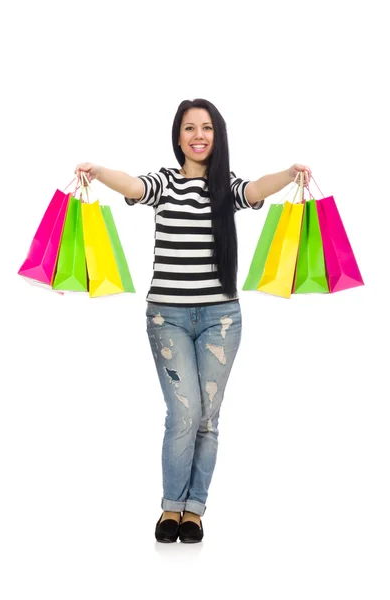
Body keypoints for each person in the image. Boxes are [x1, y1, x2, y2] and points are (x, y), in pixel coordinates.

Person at [75, 98, 311, 544]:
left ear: (216, 136)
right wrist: (98, 171)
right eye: (189, 128)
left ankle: (194, 511)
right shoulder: (165, 182)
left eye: (206, 128)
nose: (198, 136)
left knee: (208, 418)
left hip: (222, 320)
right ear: (178, 136)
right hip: (168, 319)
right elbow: (133, 183)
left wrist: (291, 172)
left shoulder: (226, 188)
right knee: (183, 414)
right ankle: (170, 508)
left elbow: (258, 187)